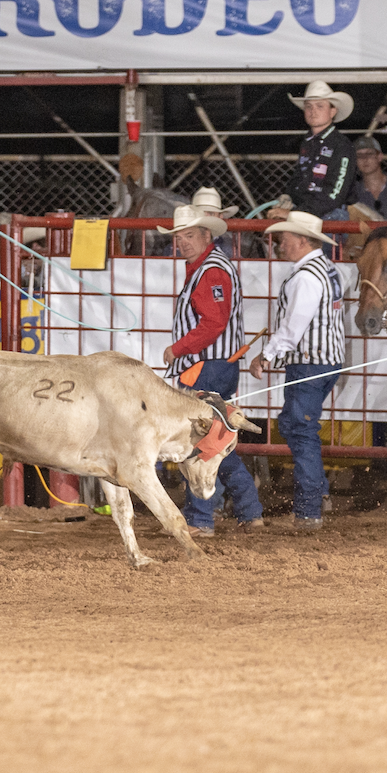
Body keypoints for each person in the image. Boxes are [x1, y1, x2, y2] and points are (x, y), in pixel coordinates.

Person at [159, 198, 263, 536]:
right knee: (216, 440)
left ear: (206, 234)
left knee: (200, 441)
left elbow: (213, 323)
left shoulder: (211, 269)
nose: (182, 242)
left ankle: (201, 518)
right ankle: (249, 510)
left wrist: (178, 348)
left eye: (188, 235)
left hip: (208, 365)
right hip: (213, 364)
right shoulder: (210, 266)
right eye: (179, 236)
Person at [250, 211, 346, 532]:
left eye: (285, 238)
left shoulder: (306, 276)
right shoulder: (328, 269)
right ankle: (317, 494)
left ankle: (308, 510)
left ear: (302, 240)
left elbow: (293, 328)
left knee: (301, 431)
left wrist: (265, 356)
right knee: (295, 425)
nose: (280, 243)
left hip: (309, 361)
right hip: (326, 359)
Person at [272, 80, 358, 228]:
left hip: (331, 216)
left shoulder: (341, 145)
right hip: (308, 212)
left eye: (320, 106)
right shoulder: (307, 142)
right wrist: (289, 196)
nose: (313, 111)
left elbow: (335, 194)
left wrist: (297, 213)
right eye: (308, 107)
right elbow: (299, 176)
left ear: (333, 111)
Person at [350, 137, 387, 220]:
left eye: (369, 154)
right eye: (359, 155)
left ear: (379, 157)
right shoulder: (352, 193)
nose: (365, 159)